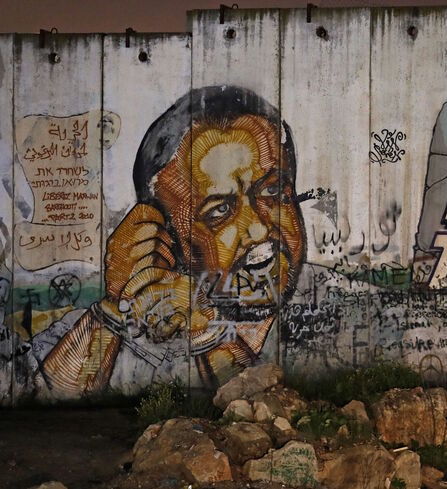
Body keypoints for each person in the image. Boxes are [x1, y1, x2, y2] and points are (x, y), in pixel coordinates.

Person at [37, 86, 307, 393]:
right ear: (167, 240)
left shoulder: (345, 303)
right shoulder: (126, 320)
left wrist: (207, 330)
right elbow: (44, 413)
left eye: (272, 191)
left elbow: (263, 413)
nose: (259, 229)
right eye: (220, 210)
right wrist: (115, 308)